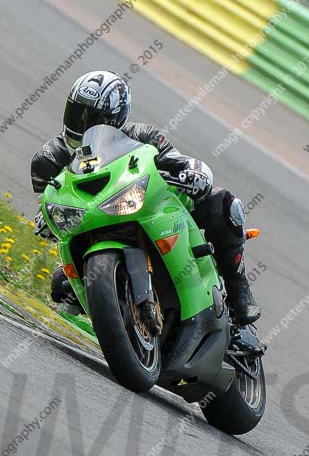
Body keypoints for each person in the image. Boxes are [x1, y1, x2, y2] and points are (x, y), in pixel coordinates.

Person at [31, 71, 260, 325]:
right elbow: (46, 202)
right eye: (78, 112)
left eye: (96, 118)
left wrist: (196, 173)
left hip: (144, 208)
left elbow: (178, 161)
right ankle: (113, 320)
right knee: (61, 285)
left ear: (116, 117)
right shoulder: (49, 158)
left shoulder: (142, 135)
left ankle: (239, 290)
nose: (84, 123)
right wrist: (46, 217)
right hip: (92, 226)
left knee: (223, 204)